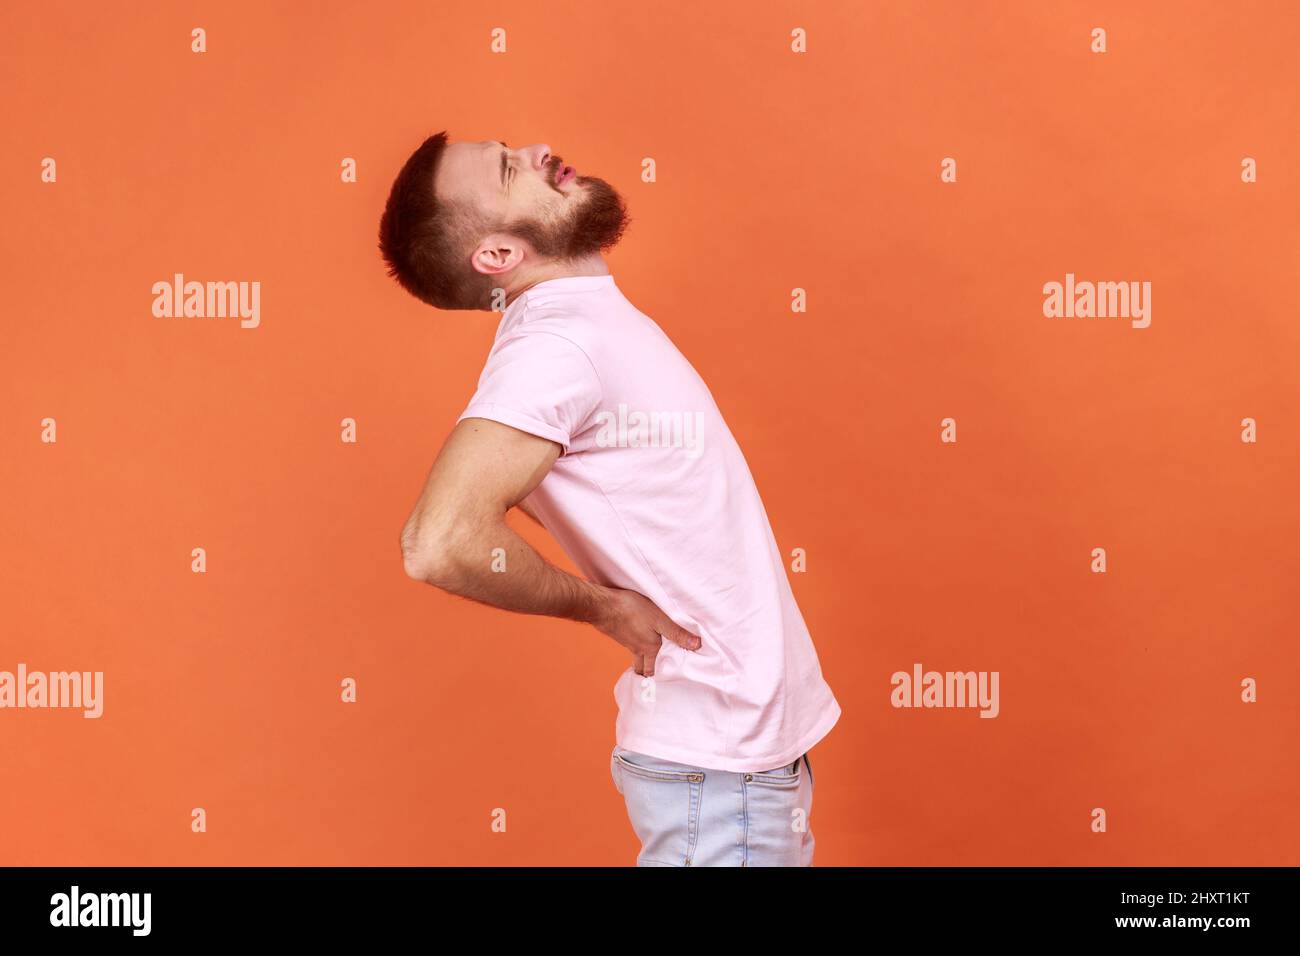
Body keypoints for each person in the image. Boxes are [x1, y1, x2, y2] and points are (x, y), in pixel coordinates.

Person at [378, 132, 840, 866]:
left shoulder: (582, 324)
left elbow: (566, 486)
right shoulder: (557, 346)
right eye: (507, 169)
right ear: (497, 256)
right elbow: (438, 543)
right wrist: (601, 606)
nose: (538, 149)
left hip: (731, 763)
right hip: (716, 771)